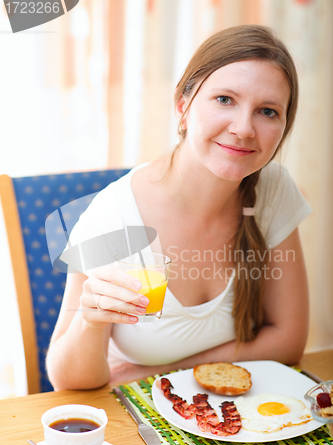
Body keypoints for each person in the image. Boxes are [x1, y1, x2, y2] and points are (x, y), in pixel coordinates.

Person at [46, 25, 312, 391]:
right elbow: (65, 381)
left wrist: (166, 371)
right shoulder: (114, 217)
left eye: (267, 111)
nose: (244, 128)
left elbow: (288, 340)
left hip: (226, 415)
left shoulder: (273, 191)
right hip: (135, 419)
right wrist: (90, 323)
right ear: (183, 107)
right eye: (224, 99)